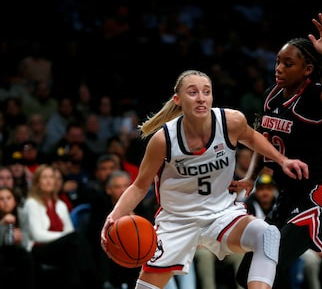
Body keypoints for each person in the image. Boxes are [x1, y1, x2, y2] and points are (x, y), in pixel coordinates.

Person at [100, 69, 309, 289]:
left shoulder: (231, 121)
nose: (201, 97)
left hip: (221, 214)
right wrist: (114, 216)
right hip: (177, 220)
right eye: (192, 92)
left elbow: (253, 138)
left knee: (267, 234)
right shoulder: (163, 140)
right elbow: (139, 186)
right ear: (178, 100)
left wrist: (282, 160)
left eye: (206, 92)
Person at [235, 13, 322, 289]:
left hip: (318, 196)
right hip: (288, 196)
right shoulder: (271, 95)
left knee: (268, 263)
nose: (279, 68)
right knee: (245, 276)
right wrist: (250, 178)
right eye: (278, 61)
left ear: (307, 70)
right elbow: (260, 139)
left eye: (288, 64)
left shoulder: (315, 96)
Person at [19, 164, 103, 289]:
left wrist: (67, 237)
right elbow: (38, 235)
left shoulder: (60, 204)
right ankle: (96, 282)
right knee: (75, 239)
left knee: (72, 250)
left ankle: (77, 285)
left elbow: (69, 232)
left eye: (51, 177)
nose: (49, 181)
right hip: (38, 249)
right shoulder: (32, 203)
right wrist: (65, 237)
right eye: (44, 177)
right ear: (37, 182)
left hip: (60, 248)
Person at [0, 186, 35, 289]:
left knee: (26, 256)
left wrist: (20, 239)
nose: (5, 201)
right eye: (1, 199)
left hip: (16, 250)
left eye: (9, 198)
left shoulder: (22, 215)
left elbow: (25, 243)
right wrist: (2, 224)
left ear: (15, 201)